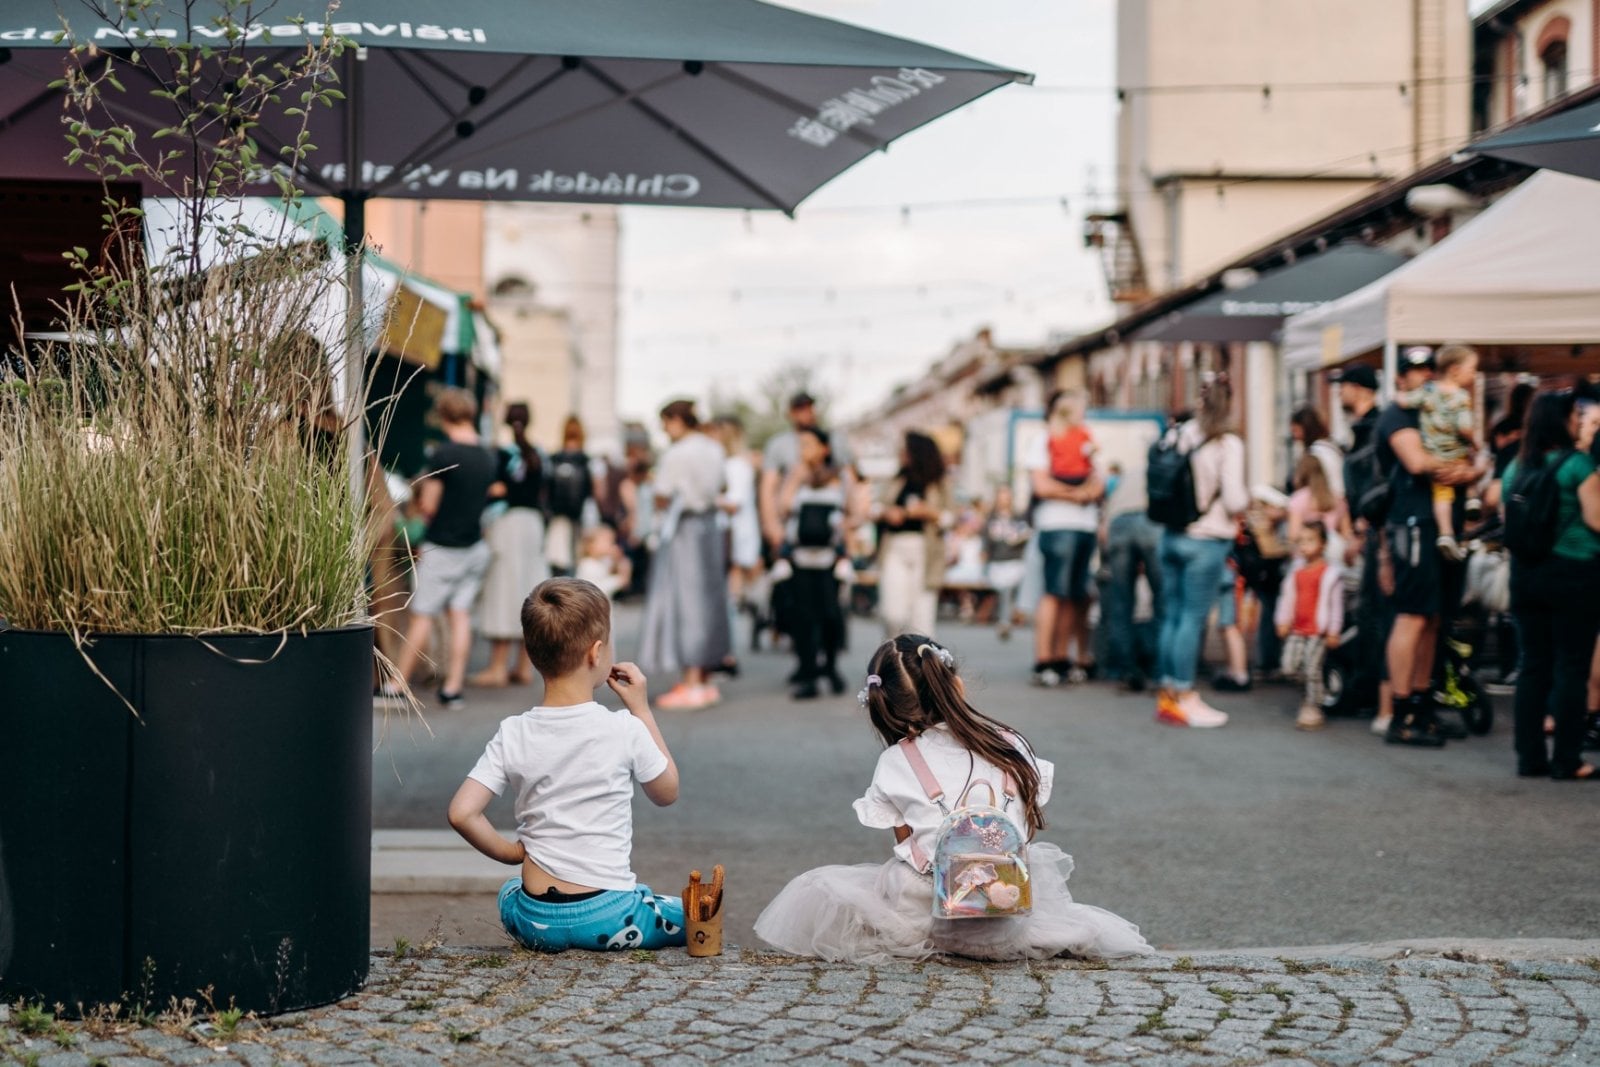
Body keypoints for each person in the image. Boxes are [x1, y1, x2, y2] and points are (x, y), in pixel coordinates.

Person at [752, 634, 1151, 963]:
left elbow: (907, 847)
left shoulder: (897, 760)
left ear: (887, 706)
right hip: (1007, 916)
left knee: (874, 878)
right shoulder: (1011, 744)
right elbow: (1024, 832)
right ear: (954, 683)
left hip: (931, 919)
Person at [447, 578, 685, 952]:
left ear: (531, 652)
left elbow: (462, 813)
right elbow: (667, 791)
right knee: (688, 911)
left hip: (534, 919)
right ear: (597, 653)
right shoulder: (623, 728)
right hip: (610, 914)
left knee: (510, 892)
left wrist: (511, 853)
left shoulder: (513, 732)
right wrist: (640, 708)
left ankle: (541, 920)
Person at [1374, 347, 1482, 747]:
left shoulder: (1442, 408)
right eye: (1412, 371)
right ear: (1401, 378)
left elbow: (1467, 453)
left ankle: (1422, 705)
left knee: (1435, 617)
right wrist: (1468, 470)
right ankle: (1400, 713)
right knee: (1413, 615)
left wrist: (1469, 470)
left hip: (1445, 526)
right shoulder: (1397, 415)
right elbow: (1418, 463)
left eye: (1425, 370)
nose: (1420, 376)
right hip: (1414, 524)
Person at [1502, 392, 1600, 779]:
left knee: (1533, 665)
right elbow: (1597, 520)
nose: (1579, 421)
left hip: (1525, 574)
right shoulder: (1578, 465)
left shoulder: (1515, 467)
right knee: (1571, 668)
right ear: (1562, 422)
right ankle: (1567, 759)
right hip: (1575, 573)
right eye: (1575, 416)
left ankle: (1529, 758)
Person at [386, 388, 496, 710]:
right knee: (460, 615)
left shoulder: (444, 455)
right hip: (474, 546)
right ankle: (453, 688)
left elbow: (429, 506)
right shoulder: (488, 456)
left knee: (422, 615)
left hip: (443, 547)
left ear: (444, 416)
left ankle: (397, 684)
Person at [1154, 377, 1248, 728]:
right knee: (1192, 620)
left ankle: (1167, 694)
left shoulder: (1178, 434)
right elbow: (1236, 499)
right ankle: (1185, 695)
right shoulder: (1227, 443)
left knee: (1173, 616)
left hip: (1171, 535)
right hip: (1207, 539)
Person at [638, 400, 731, 711]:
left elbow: (662, 494)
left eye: (666, 422)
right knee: (709, 599)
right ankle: (702, 677)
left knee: (684, 600)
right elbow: (720, 487)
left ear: (677, 420)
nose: (665, 430)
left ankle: (691, 680)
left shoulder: (677, 453)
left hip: (683, 529)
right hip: (709, 527)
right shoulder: (714, 449)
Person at [1025, 390, 1104, 687]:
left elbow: (1099, 481)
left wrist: (1083, 493)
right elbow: (1041, 486)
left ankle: (1061, 657)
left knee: (1073, 593)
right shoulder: (1043, 440)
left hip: (1085, 525)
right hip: (1056, 525)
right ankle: (1043, 658)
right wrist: (1077, 494)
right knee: (1054, 591)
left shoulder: (1086, 440)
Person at [472, 401, 549, 689]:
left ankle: (497, 667)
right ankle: (524, 667)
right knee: (529, 590)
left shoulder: (502, 455)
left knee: (503, 591)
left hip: (508, 525)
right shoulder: (539, 455)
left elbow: (497, 489)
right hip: (533, 526)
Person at [779, 426, 849, 699]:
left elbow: (854, 511)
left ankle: (830, 667)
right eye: (801, 445)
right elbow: (783, 508)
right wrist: (796, 478)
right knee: (804, 619)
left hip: (830, 559)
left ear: (824, 448)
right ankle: (808, 673)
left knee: (831, 616)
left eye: (809, 444)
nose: (803, 450)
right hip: (801, 559)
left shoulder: (839, 476)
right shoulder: (795, 475)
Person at [1395, 345, 1480, 562]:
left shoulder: (1427, 393)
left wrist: (1398, 396)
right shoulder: (1461, 397)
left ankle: (1447, 532)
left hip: (1437, 452)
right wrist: (1475, 443)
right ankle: (1472, 500)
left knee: (1443, 495)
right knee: (1472, 459)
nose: (1426, 374)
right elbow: (1464, 427)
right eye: (1418, 370)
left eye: (1428, 368)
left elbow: (1405, 400)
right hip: (1455, 453)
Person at [1099, 439, 1163, 691]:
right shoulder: (1162, 469)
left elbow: (1107, 513)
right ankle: (1160, 671)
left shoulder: (1130, 474)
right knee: (1162, 599)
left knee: (1121, 602)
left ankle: (1124, 669)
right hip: (1149, 521)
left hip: (1119, 525)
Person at [875, 431, 949, 639]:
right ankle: (891, 661)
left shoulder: (939, 482)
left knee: (922, 619)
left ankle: (919, 669)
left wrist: (929, 512)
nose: (901, 453)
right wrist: (887, 513)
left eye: (905, 449)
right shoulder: (896, 480)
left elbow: (952, 518)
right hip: (895, 547)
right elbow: (876, 507)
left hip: (926, 551)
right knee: (892, 613)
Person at [1274, 522, 1344, 732]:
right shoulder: (1295, 572)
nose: (1304, 546)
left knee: (1313, 668)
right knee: (1289, 666)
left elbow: (1336, 606)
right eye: (1300, 541)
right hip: (1297, 629)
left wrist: (1333, 630)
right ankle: (1310, 693)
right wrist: (1282, 620)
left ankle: (1313, 705)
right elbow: (1286, 599)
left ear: (1323, 544)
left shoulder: (1330, 574)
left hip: (1317, 632)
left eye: (1310, 540)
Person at [714, 415, 762, 668]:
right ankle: (725, 650)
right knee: (728, 597)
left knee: (728, 598)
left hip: (732, 538)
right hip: (732, 537)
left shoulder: (736, 465)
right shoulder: (736, 464)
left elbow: (734, 503)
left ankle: (726, 652)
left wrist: (706, 497)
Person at [545, 416, 596, 576]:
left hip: (557, 517)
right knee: (575, 563)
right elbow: (594, 492)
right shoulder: (586, 460)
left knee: (557, 562)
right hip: (578, 517)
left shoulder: (554, 459)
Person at [982, 486, 1031, 639]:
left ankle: (1004, 621)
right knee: (1005, 590)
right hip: (997, 562)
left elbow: (1026, 534)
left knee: (1009, 589)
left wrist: (1021, 538)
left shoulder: (1018, 517)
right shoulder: (991, 519)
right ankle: (1005, 620)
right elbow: (986, 543)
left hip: (1015, 560)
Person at [575, 524, 632, 601]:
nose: (610, 545)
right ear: (590, 545)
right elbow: (596, 589)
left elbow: (614, 571)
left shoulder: (604, 561)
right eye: (606, 541)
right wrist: (618, 581)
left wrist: (618, 559)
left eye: (612, 542)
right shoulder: (587, 565)